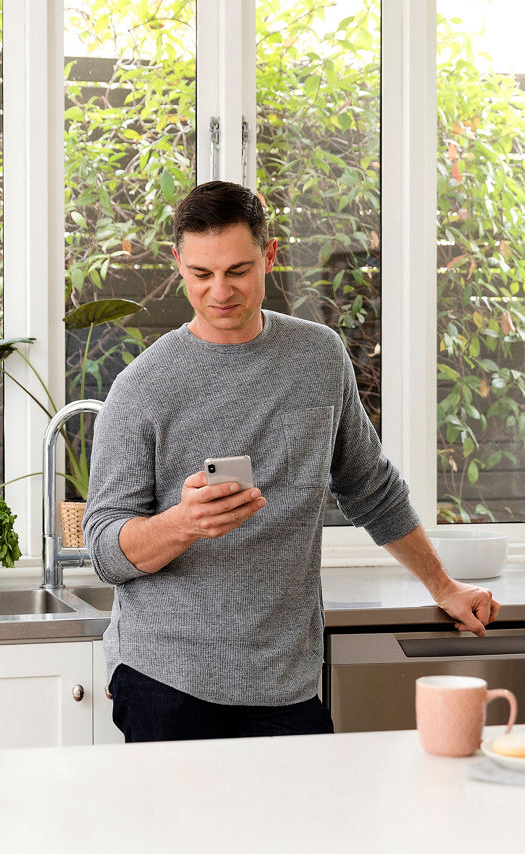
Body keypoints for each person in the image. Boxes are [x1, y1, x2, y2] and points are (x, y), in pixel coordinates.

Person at [83, 180, 500, 743]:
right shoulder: (142, 387)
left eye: (238, 270)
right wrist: (183, 524)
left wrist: (444, 587)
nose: (219, 291)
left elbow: (370, 487)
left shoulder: (319, 357)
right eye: (201, 274)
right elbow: (106, 548)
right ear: (178, 262)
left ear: (269, 255)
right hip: (167, 675)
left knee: (305, 831)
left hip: (286, 679)